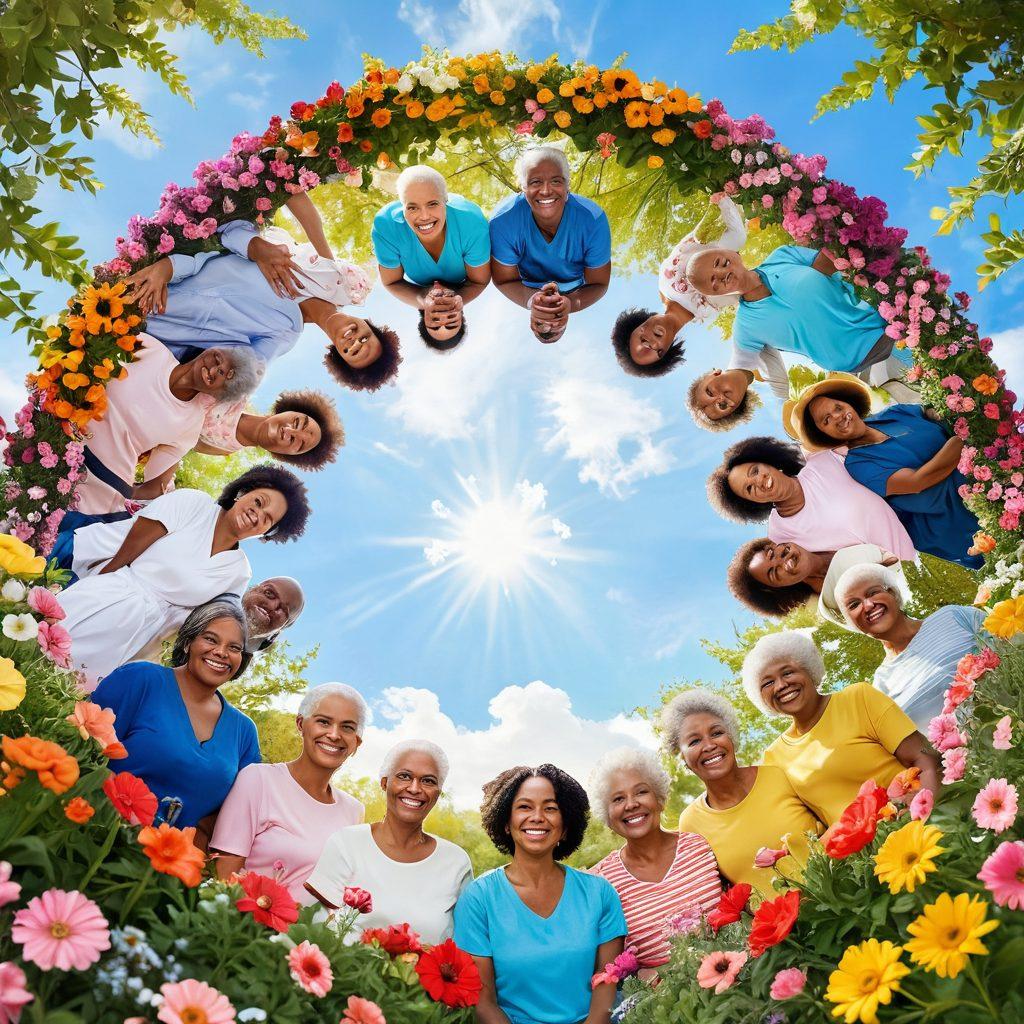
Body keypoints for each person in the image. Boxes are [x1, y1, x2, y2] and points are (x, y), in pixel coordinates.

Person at [56, 464, 310, 688]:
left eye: (268, 519)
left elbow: (205, 617)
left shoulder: (239, 571)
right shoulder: (195, 503)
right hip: (106, 590)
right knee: (48, 643)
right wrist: (90, 587)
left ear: (267, 533)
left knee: (70, 682)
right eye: (258, 502)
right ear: (243, 492)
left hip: (137, 633)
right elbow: (128, 550)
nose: (258, 514)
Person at [125, 193, 401, 392]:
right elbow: (227, 235)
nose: (354, 341)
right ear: (368, 323)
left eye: (352, 352)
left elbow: (247, 370)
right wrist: (257, 247)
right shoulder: (320, 273)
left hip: (147, 332)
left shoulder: (284, 335)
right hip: (151, 277)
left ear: (337, 355)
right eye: (365, 338)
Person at [454, 764, 626, 1024]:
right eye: (524, 807)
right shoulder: (479, 897)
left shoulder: (600, 894)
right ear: (505, 822)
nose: (537, 817)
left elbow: (606, 988)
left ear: (566, 826)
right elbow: (483, 1001)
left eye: (550, 808)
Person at [90, 599, 259, 843]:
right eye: (211, 639)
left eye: (234, 647)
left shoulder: (244, 732)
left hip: (162, 865)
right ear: (189, 641)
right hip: (92, 835)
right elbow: (85, 752)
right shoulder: (140, 680)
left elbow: (235, 815)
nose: (221, 652)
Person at [685, 240, 911, 420]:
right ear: (715, 295)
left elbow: (835, 258)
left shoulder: (782, 256)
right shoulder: (746, 326)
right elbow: (741, 367)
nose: (720, 274)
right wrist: (730, 392)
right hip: (865, 359)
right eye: (712, 281)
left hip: (888, 322)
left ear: (733, 253)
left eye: (717, 262)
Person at [744, 631, 941, 825]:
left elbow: (925, 758)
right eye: (768, 683)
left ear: (809, 670)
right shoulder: (774, 757)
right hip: (861, 855)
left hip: (917, 825)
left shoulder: (858, 698)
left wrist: (921, 817)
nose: (780, 685)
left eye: (788, 672)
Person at [785, 374, 982, 568]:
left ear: (850, 404)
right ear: (823, 434)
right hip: (964, 520)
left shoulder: (893, 414)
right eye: (826, 420)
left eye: (838, 407)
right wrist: (963, 437)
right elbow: (919, 480)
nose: (837, 416)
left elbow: (933, 412)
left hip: (981, 472)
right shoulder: (858, 465)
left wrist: (948, 413)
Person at [305, 740, 472, 944]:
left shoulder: (456, 862)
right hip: (349, 973)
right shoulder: (347, 843)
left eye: (428, 781)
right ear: (384, 782)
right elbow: (316, 929)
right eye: (404, 776)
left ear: (438, 793)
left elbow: (465, 946)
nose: (414, 788)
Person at [212, 683, 366, 903]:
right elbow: (224, 876)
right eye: (323, 721)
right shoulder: (258, 780)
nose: (334, 734)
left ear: (356, 743)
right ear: (301, 724)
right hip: (251, 930)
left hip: (310, 936)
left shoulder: (354, 811)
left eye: (347, 727)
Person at [76, 341, 264, 515]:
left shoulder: (191, 424)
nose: (215, 369)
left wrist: (123, 490)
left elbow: (157, 485)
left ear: (219, 396)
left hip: (99, 486)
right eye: (218, 359)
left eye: (224, 375)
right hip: (62, 429)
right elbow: (95, 348)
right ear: (211, 349)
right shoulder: (152, 349)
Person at [664, 689, 821, 894]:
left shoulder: (779, 775)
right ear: (683, 758)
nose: (709, 745)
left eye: (717, 733)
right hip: (778, 924)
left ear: (731, 736)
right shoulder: (691, 823)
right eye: (694, 741)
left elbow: (831, 820)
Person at [589, 748, 721, 976]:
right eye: (618, 798)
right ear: (608, 815)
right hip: (670, 1003)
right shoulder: (601, 881)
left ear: (659, 798)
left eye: (641, 792)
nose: (631, 804)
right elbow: (607, 969)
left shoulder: (700, 844)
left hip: (740, 981)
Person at [707, 435, 917, 559]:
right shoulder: (780, 535)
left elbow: (875, 445)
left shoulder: (823, 461)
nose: (759, 480)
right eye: (750, 489)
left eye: (755, 470)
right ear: (751, 503)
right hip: (891, 585)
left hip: (924, 536)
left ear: (768, 461)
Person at [834, 563, 987, 729]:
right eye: (854, 604)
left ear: (891, 592)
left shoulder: (954, 616)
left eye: (873, 592)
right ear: (851, 622)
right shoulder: (881, 685)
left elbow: (1012, 646)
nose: (868, 605)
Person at [611, 195, 747, 379]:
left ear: (636, 327)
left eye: (643, 340)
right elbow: (741, 290)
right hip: (750, 244)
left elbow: (698, 237)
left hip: (728, 218)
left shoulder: (668, 281)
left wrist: (720, 202)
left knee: (738, 238)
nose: (653, 341)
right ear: (667, 350)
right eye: (657, 351)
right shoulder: (707, 316)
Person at [490, 146, 612, 344]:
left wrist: (532, 300)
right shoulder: (503, 221)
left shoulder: (592, 219)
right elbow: (599, 285)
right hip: (574, 289)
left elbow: (599, 281)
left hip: (532, 286)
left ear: (567, 186)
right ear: (523, 186)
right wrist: (570, 302)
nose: (546, 190)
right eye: (535, 182)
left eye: (556, 181)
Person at [141, 388, 346, 499]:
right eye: (298, 422)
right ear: (290, 409)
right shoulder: (238, 391)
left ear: (289, 455)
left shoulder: (224, 449)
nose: (290, 431)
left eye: (298, 443)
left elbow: (173, 444)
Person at [371, 165, 491, 350]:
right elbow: (480, 281)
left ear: (424, 316)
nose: (424, 216)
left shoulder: (386, 226)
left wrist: (421, 298)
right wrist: (458, 298)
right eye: (451, 323)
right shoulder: (472, 224)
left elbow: (391, 282)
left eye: (434, 323)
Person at [727, 538, 905, 624]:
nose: (783, 560)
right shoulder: (832, 603)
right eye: (774, 572)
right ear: (778, 589)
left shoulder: (823, 530)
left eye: (772, 553)